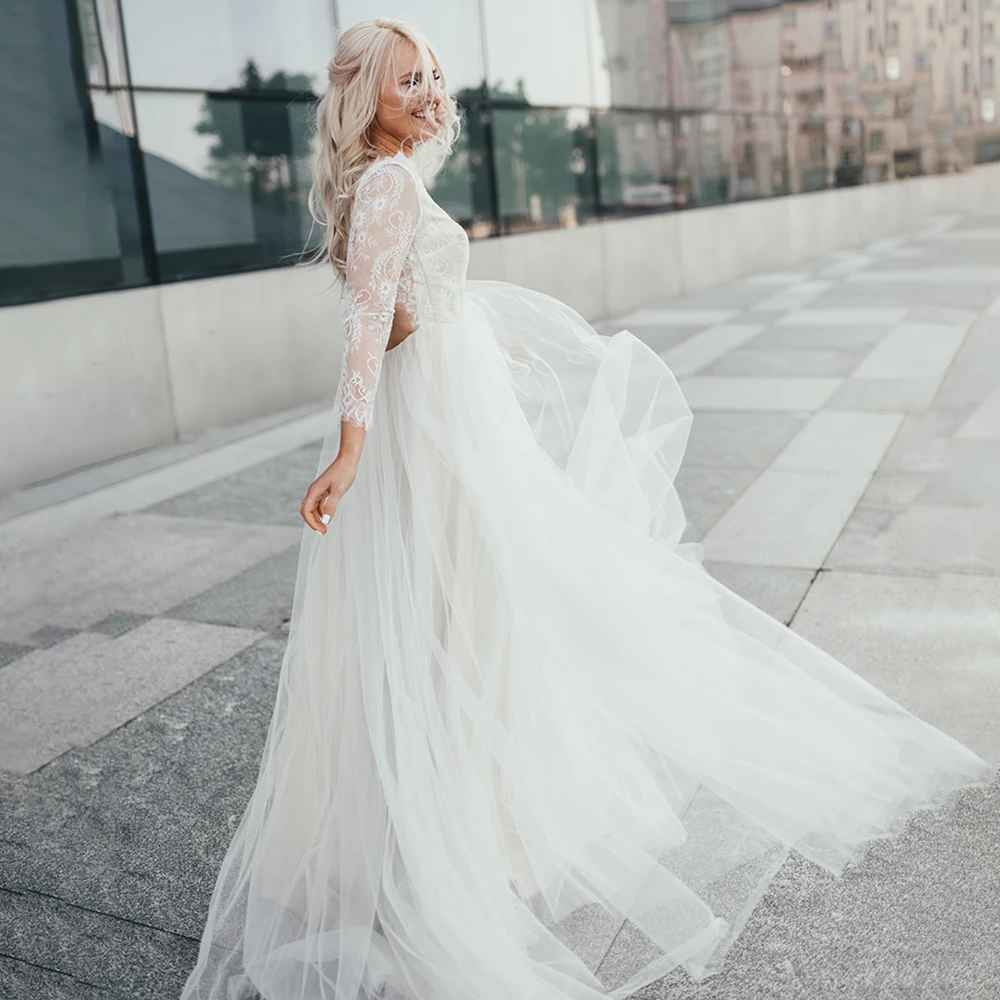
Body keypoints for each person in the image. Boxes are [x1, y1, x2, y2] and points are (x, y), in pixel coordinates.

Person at [179, 18, 996, 1000]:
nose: (429, 91)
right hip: (425, 433)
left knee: (450, 625)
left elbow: (409, 306)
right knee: (466, 623)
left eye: (432, 74)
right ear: (366, 98)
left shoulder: (389, 178)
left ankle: (423, 836)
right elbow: (364, 324)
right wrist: (351, 447)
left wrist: (485, 344)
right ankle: (432, 848)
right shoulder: (388, 183)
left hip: (440, 408)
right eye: (407, 80)